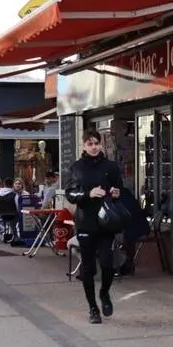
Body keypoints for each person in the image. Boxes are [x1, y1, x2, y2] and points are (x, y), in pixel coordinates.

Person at [66, 130, 124, 324]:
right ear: (84, 146)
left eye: (96, 143)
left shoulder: (111, 166)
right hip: (85, 222)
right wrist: (88, 194)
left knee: (108, 264)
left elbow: (120, 190)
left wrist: (116, 193)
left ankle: (104, 293)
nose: (93, 147)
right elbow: (70, 194)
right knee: (88, 268)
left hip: (107, 222)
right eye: (89, 144)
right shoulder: (77, 167)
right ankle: (93, 308)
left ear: (101, 144)